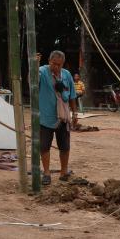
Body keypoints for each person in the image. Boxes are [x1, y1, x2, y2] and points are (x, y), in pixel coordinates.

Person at [37, 50, 77, 185]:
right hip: (45, 117)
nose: (56, 67)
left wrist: (74, 113)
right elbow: (33, 82)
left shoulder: (67, 75)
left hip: (63, 117)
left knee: (65, 146)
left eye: (59, 64)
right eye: (54, 64)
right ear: (49, 61)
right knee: (44, 146)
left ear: (63, 64)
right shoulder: (42, 72)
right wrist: (34, 65)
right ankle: (46, 173)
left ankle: (64, 171)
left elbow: (72, 96)